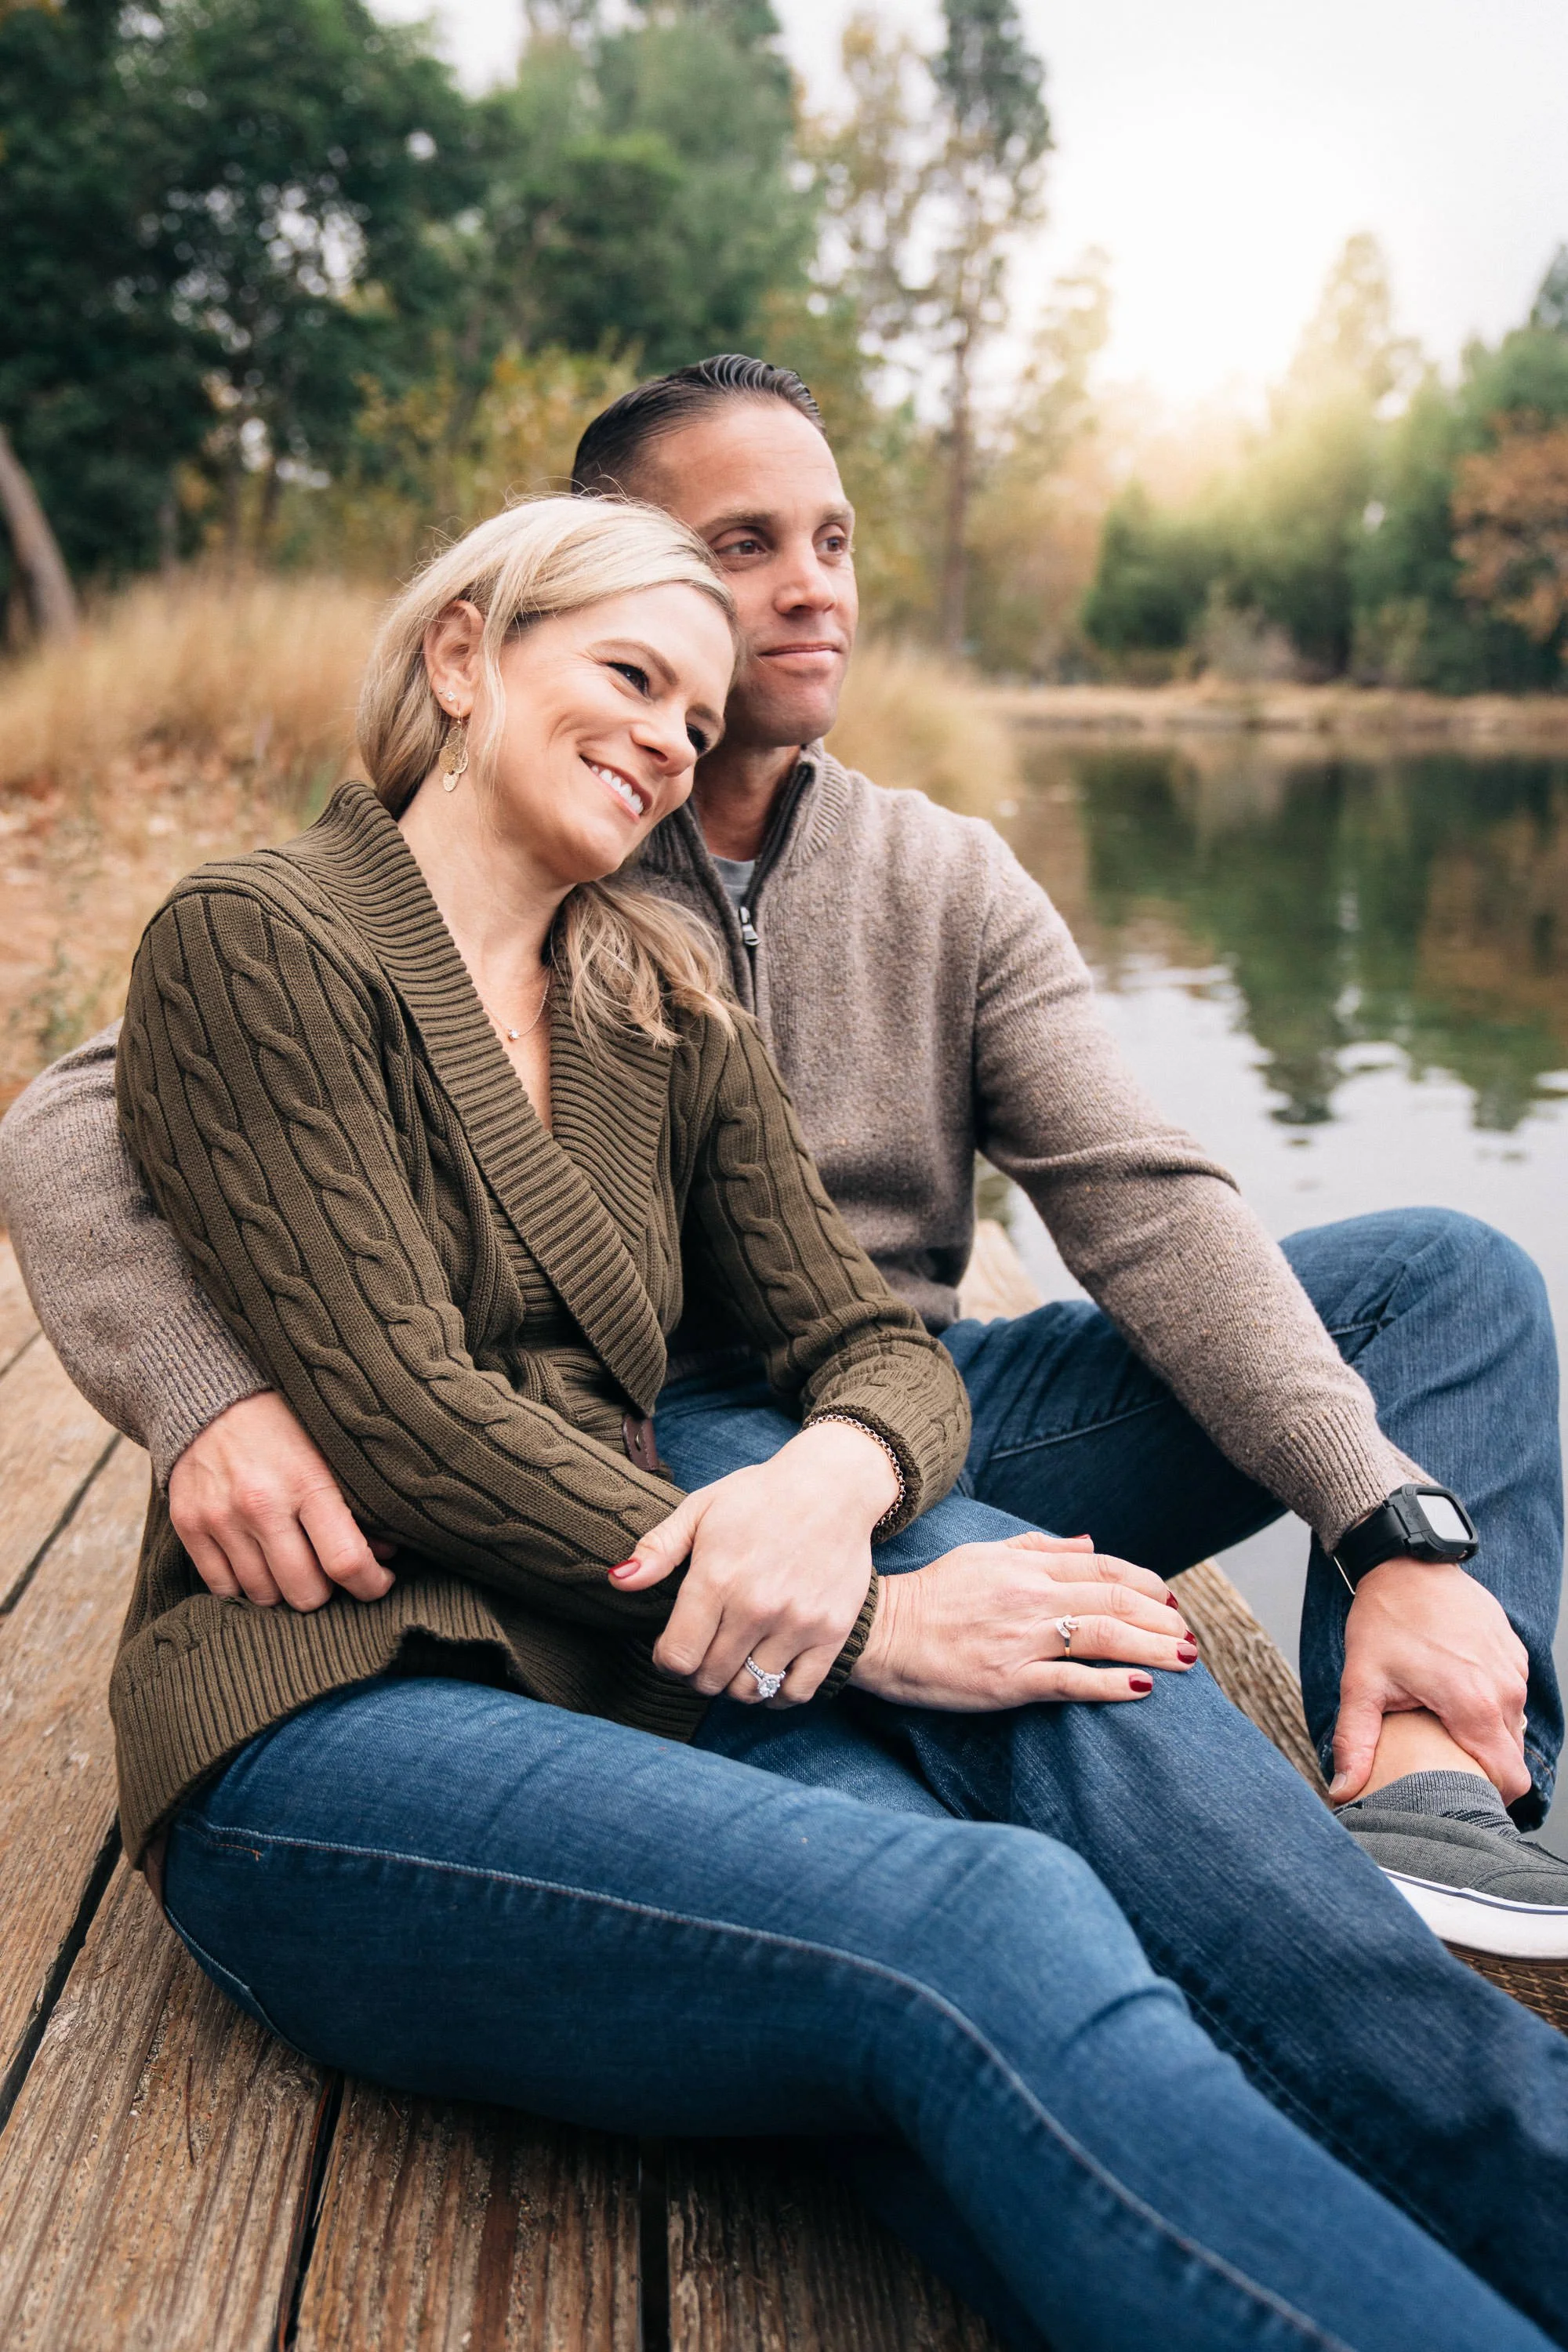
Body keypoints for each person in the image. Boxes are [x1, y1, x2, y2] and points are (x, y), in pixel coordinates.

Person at [75, 492, 1564, 2352]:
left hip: (635, 1659)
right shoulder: (262, 937)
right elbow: (400, 1414)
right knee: (978, 1932)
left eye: (695, 722)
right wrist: (878, 1618)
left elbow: (870, 1337)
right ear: (461, 655)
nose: (664, 740)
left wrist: (842, 1470)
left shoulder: (654, 999)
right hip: (334, 1703)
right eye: (626, 674)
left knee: (1006, 1927)